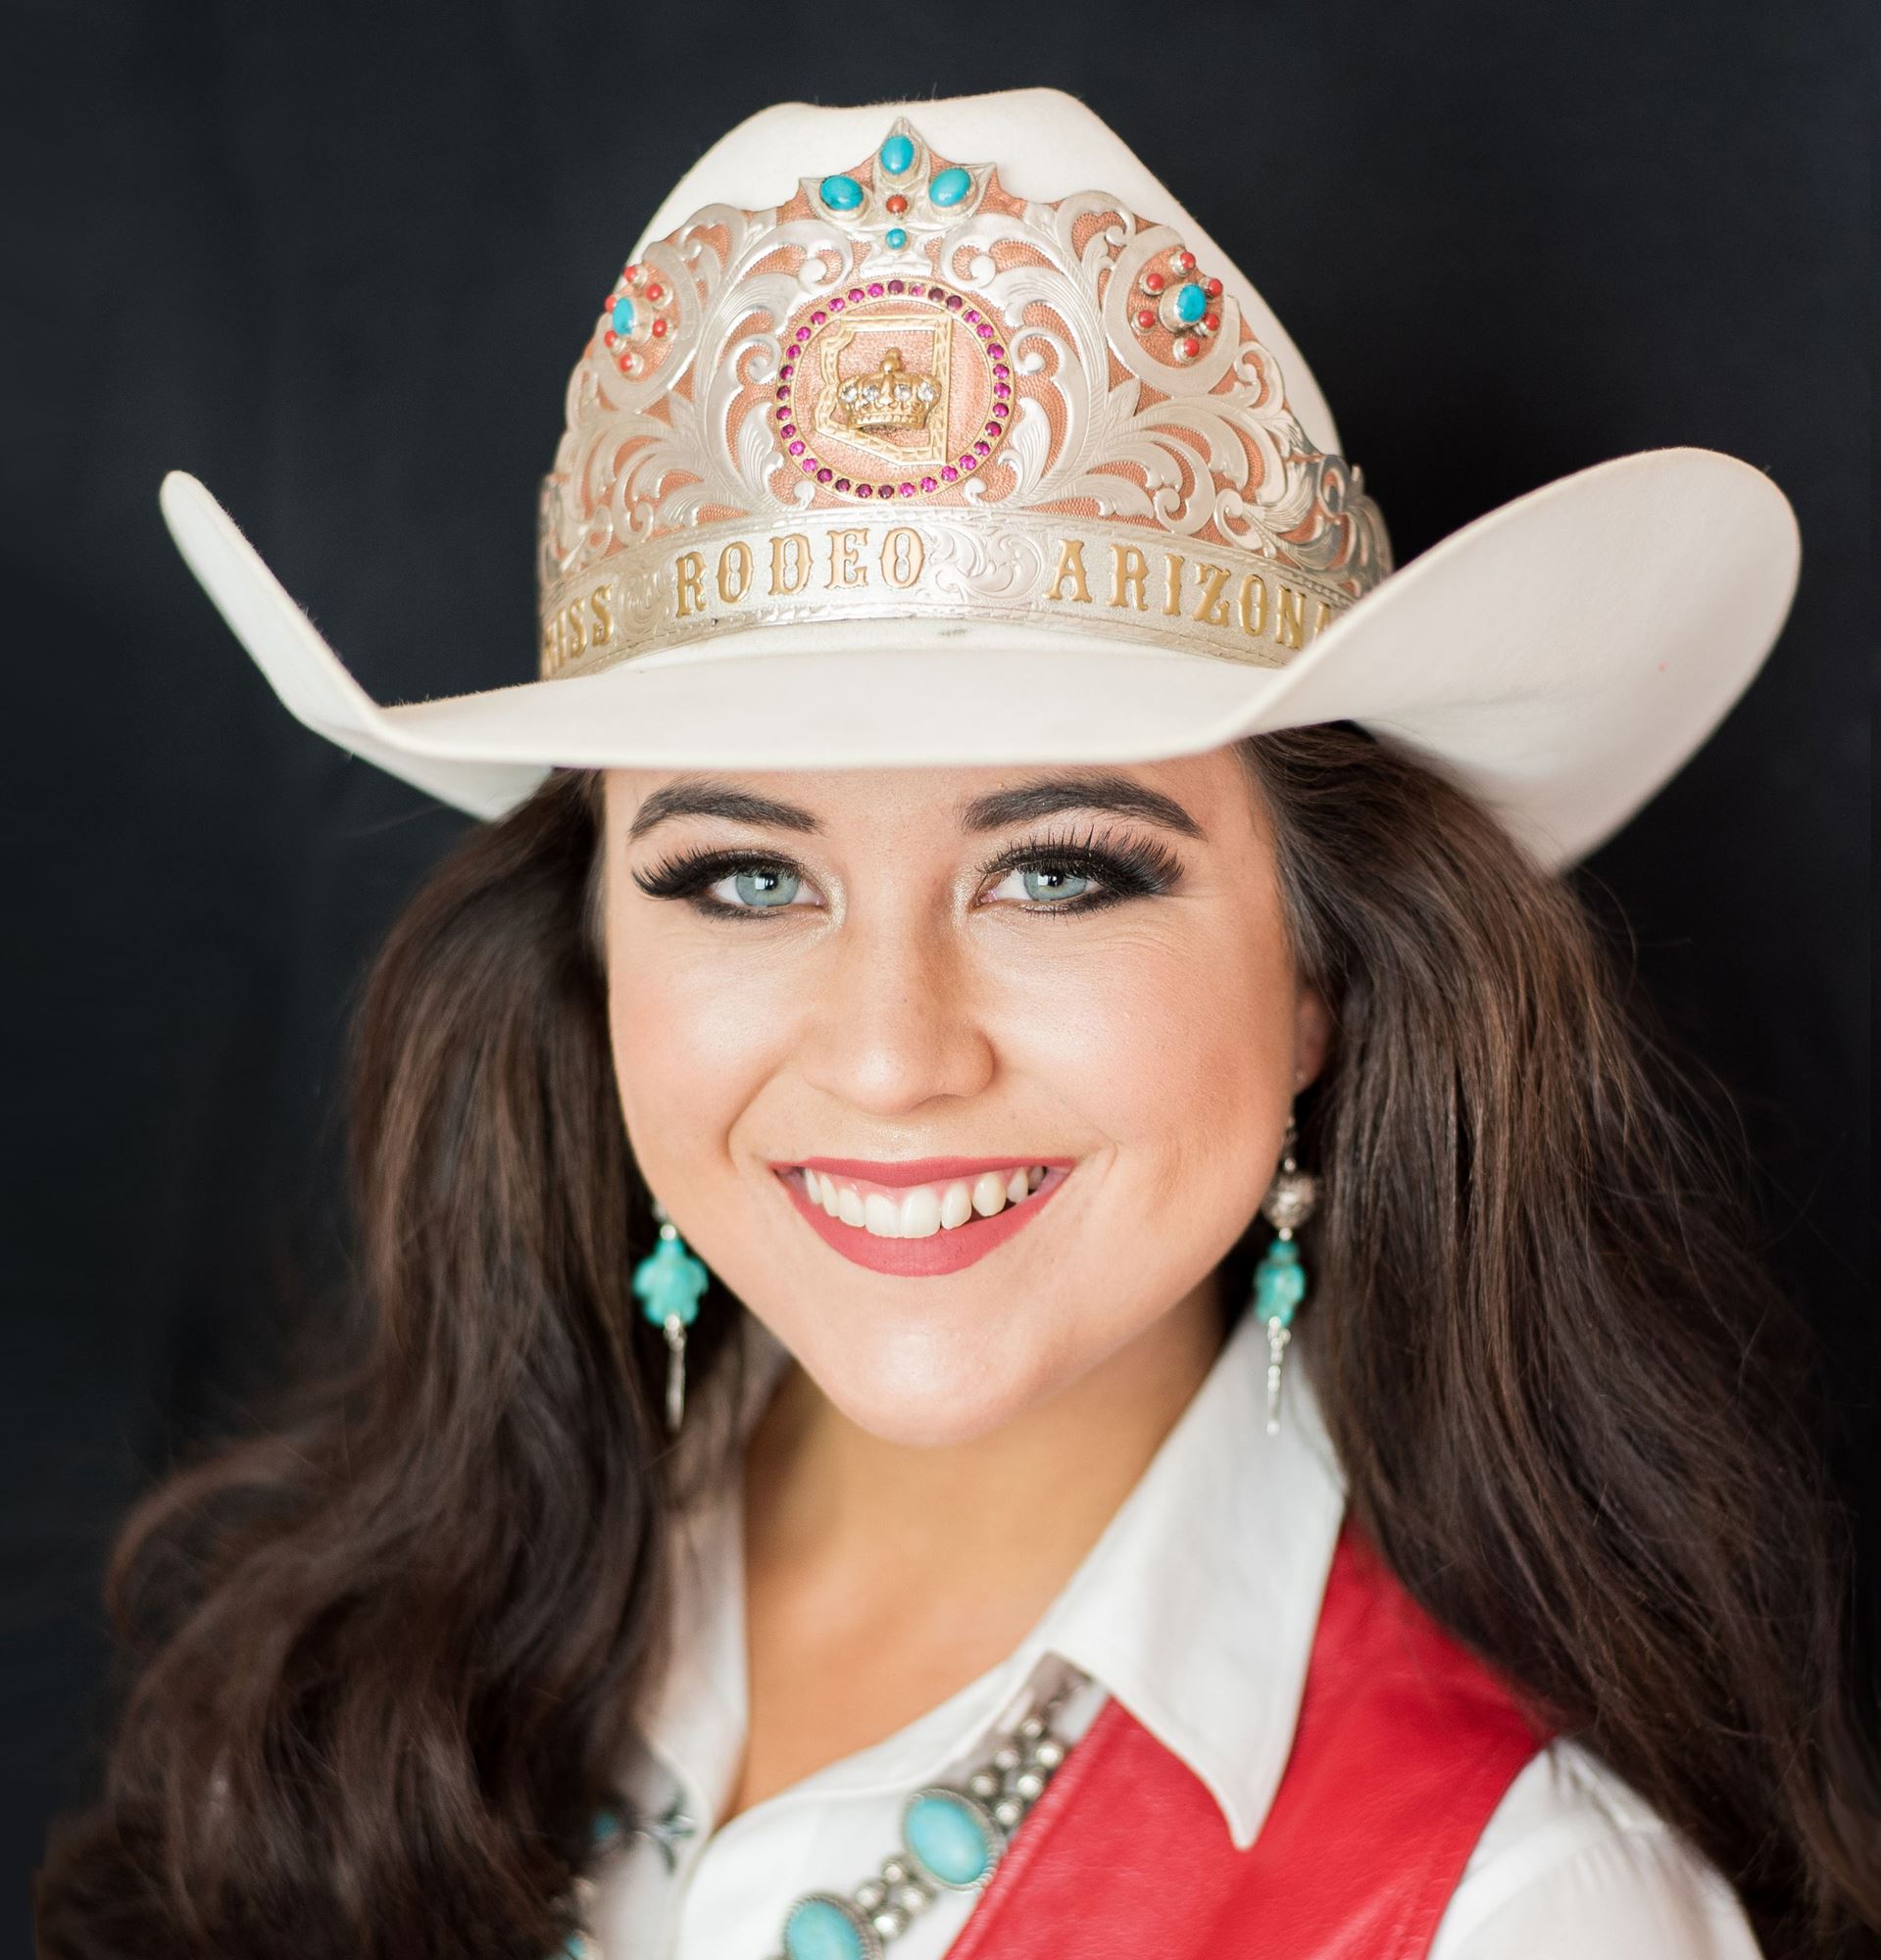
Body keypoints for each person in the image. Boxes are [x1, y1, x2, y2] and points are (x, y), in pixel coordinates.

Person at [34, 88, 1877, 1960]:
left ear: (1317, 977)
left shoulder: (1525, 1908)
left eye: (1061, 873)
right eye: (746, 879)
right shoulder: (379, 1628)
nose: (893, 1053)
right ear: (592, 961)